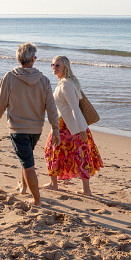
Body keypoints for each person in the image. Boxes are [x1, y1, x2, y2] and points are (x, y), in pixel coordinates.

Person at [0, 42, 60, 206]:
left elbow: (0, 101)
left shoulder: (10, 77)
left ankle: (36, 200)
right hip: (36, 129)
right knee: (25, 158)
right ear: (34, 59)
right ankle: (23, 188)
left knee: (28, 163)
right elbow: (51, 108)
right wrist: (55, 128)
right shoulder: (44, 80)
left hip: (18, 128)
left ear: (18, 59)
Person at [43, 56, 103, 196]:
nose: (54, 67)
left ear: (65, 68)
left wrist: (82, 129)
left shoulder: (65, 85)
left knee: (54, 151)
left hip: (66, 126)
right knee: (79, 155)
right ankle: (84, 189)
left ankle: (55, 184)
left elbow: (75, 108)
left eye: (58, 65)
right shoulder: (66, 82)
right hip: (68, 125)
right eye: (53, 64)